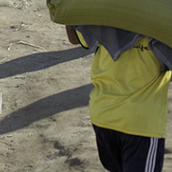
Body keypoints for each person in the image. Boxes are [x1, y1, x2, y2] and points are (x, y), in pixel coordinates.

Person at [66, 24, 172, 172]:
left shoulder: (106, 19)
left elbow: (74, 37)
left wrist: (67, 15)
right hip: (142, 124)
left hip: (103, 116)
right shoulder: (163, 25)